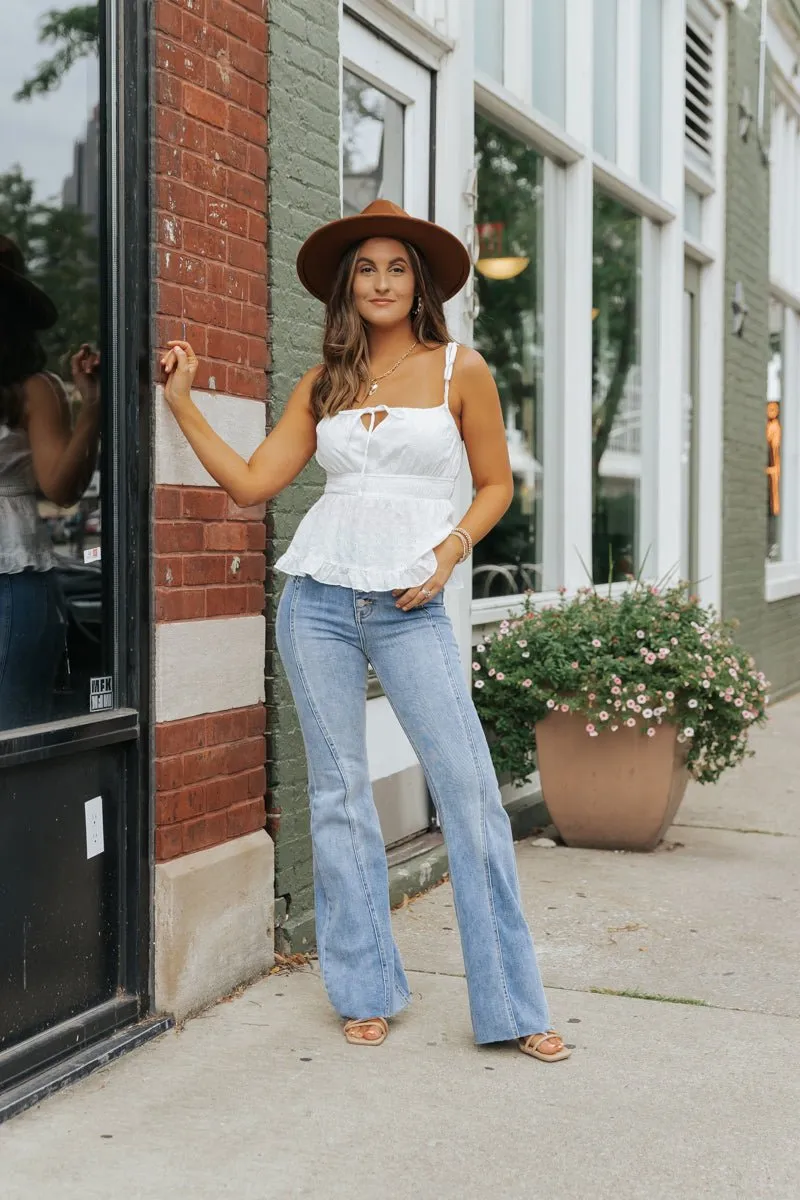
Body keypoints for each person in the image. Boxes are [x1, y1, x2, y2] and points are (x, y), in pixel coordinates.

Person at [160, 198, 571, 1063]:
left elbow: (494, 485)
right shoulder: (325, 382)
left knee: (469, 793)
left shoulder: (464, 369)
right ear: (348, 286)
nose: (381, 282)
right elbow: (251, 483)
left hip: (411, 602)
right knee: (341, 797)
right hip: (316, 599)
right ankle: (365, 987)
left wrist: (451, 552)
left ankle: (512, 1001)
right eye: (366, 269)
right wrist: (184, 402)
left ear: (418, 284)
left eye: (396, 268)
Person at [0, 234, 101, 729]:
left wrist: (93, 405)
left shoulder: (31, 388)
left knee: (12, 735)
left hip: (10, 579)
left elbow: (61, 488)